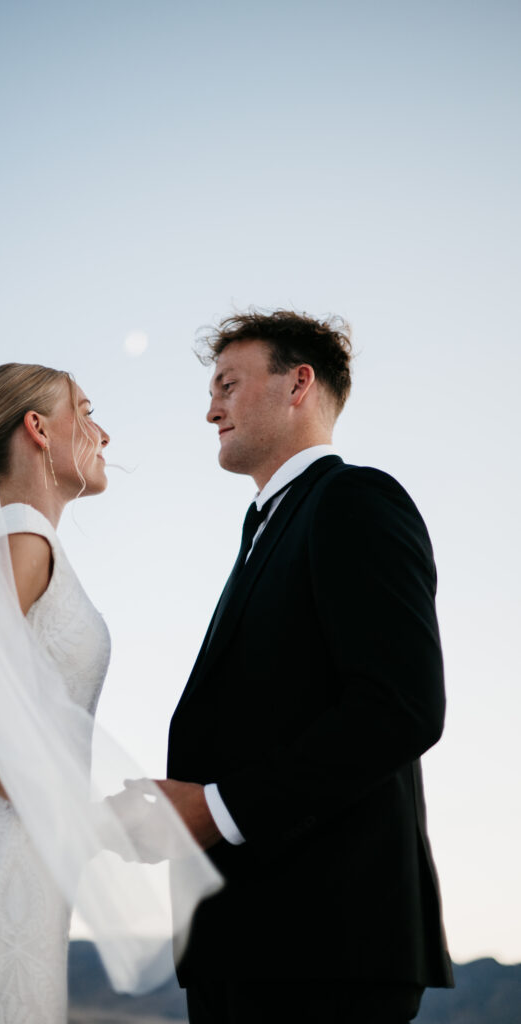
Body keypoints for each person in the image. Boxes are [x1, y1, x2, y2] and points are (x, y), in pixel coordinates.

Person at [0, 362, 220, 1024]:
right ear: (38, 429)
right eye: (85, 411)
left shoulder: (2, 546)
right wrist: (66, 824)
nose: (104, 435)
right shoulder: (23, 538)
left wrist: (18, 842)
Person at [159, 310, 454, 1024]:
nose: (210, 409)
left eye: (227, 384)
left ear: (298, 383)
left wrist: (218, 810)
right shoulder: (265, 525)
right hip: (247, 939)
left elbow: (401, 706)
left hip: (326, 944)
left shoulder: (353, 500)